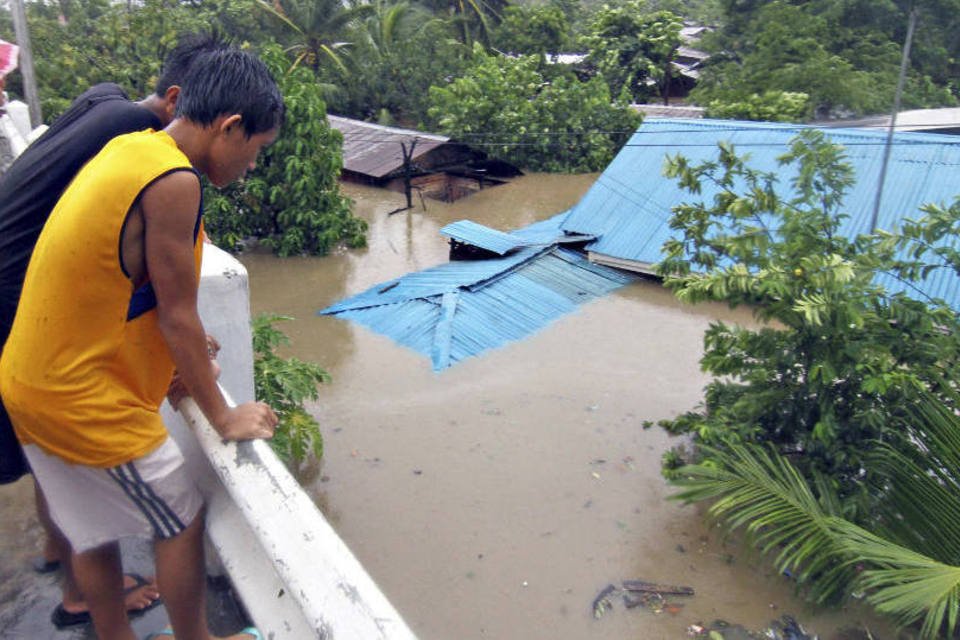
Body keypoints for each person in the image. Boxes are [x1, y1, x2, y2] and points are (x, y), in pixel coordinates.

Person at [0, 45, 283, 640]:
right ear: (231, 128)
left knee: (91, 529)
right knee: (180, 516)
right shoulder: (174, 181)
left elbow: (130, 283)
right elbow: (177, 316)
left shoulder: (132, 148)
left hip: (28, 376)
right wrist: (224, 415)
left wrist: (183, 349)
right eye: (257, 152)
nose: (253, 166)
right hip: (78, 397)